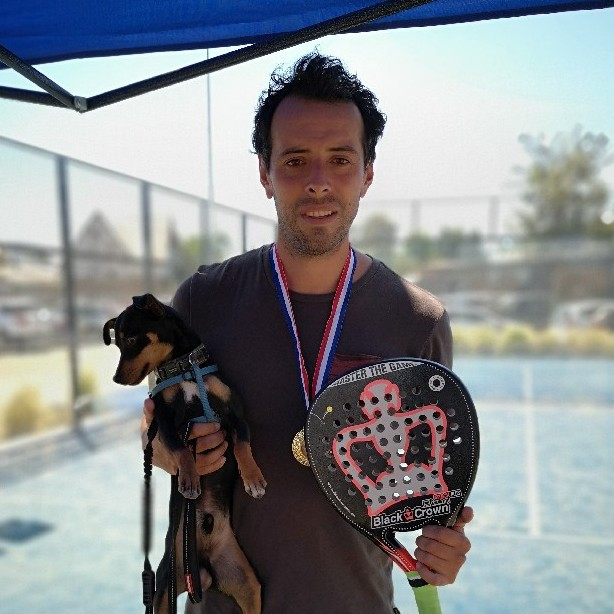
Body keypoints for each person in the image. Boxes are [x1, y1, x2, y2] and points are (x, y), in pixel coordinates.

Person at [143, 51, 473, 613]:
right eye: (295, 160)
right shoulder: (201, 300)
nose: (318, 182)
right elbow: (154, 432)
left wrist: (445, 548)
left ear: (368, 173)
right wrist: (174, 453)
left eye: (340, 159)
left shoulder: (420, 322)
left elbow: (431, 495)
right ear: (265, 173)